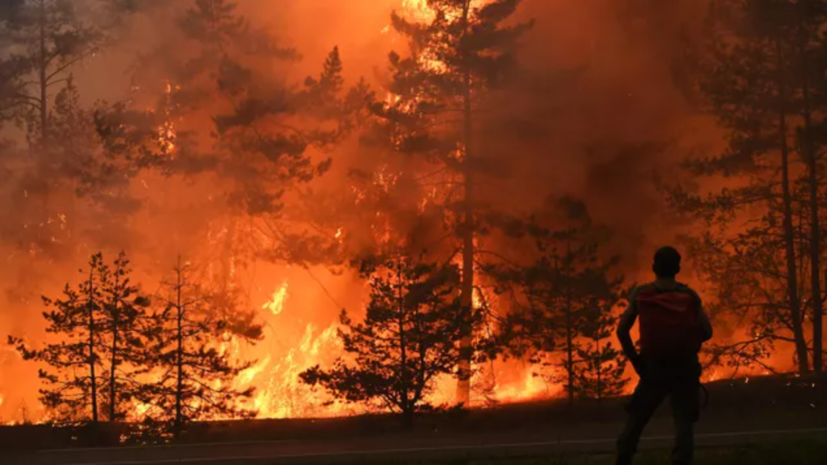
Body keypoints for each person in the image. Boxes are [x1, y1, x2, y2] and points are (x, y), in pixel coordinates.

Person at [615, 246, 713, 465]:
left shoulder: (641, 293)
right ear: (678, 269)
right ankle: (681, 461)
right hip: (685, 369)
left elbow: (622, 330)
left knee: (637, 418)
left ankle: (624, 458)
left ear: (653, 267)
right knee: (684, 422)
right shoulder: (689, 295)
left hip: (654, 368)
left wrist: (637, 363)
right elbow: (707, 331)